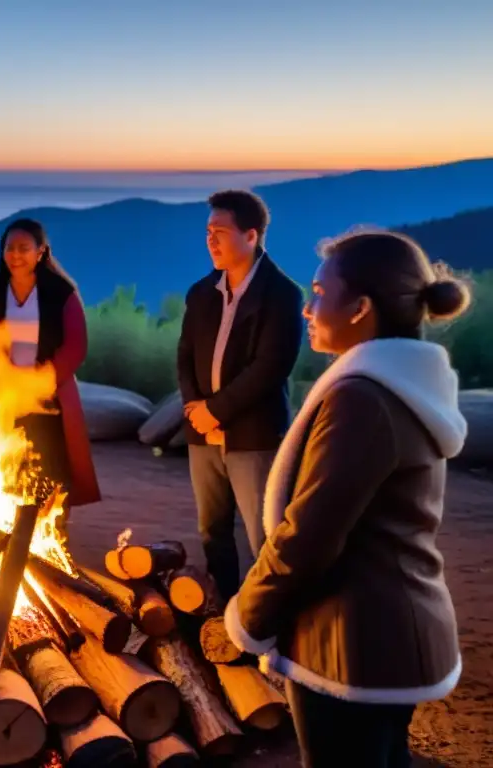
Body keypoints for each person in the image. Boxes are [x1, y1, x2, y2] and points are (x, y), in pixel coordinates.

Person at [224, 230, 467, 768]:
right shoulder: (401, 387)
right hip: (395, 630)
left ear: (360, 307)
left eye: (318, 292)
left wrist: (248, 614)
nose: (308, 308)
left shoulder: (362, 398)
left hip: (350, 645)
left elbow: (308, 536)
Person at [176, 190, 303, 602]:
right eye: (208, 232)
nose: (211, 240)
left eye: (221, 232)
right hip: (202, 434)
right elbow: (184, 355)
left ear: (251, 236)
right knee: (212, 532)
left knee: (261, 536)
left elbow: (271, 367)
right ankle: (224, 615)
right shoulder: (201, 292)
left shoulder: (282, 294)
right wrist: (196, 408)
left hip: (253, 435)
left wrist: (216, 410)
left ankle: (266, 623)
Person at [0, 218, 101, 506]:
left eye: (24, 248)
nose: (15, 255)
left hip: (50, 401)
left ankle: (52, 540)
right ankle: (9, 542)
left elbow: (76, 346)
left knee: (52, 478)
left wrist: (41, 381)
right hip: (2, 400)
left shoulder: (61, 293)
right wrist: (0, 380)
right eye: (10, 248)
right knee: (7, 474)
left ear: (41, 252)